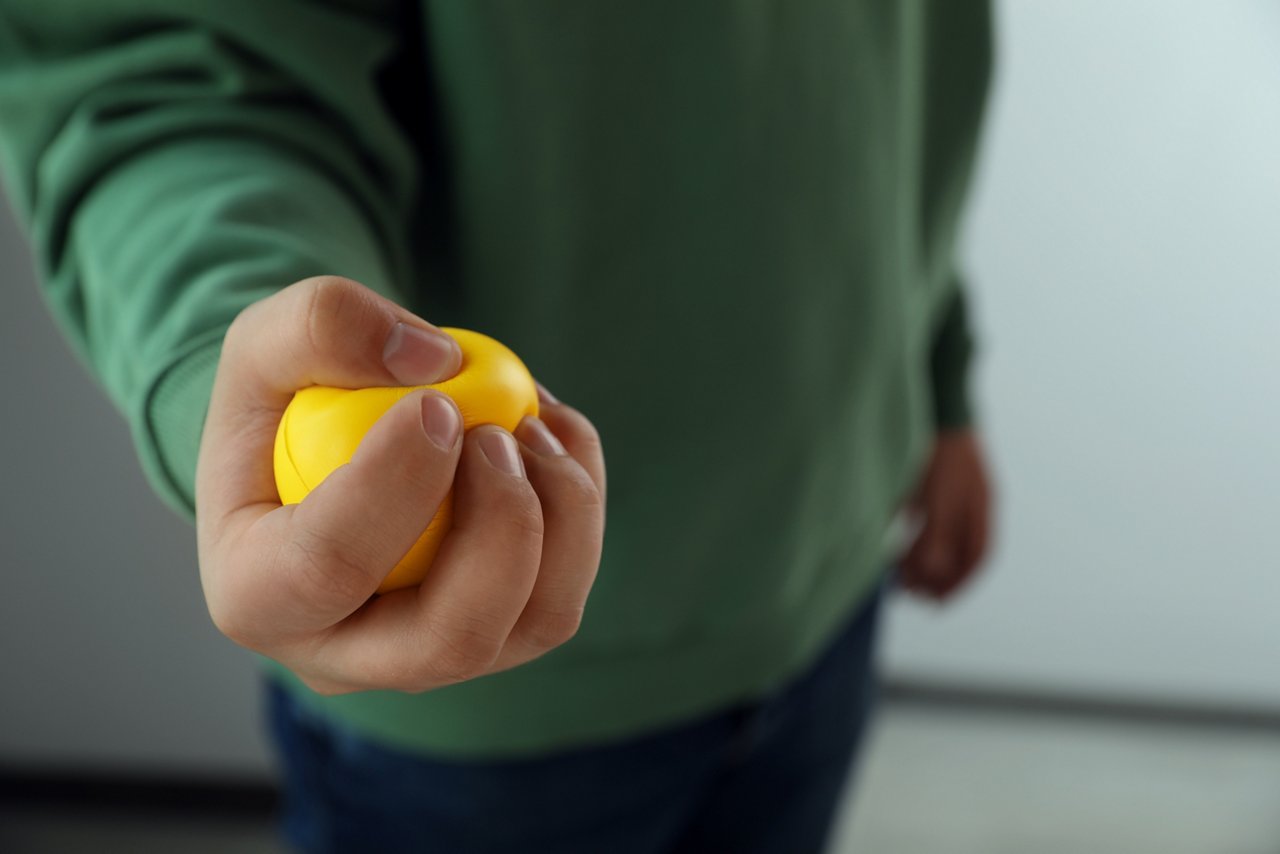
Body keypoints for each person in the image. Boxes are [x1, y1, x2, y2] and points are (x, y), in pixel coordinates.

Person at [0, 1, 994, 851]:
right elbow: (172, 70)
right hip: (473, 703)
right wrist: (250, 352)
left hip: (830, 578)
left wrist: (933, 369)